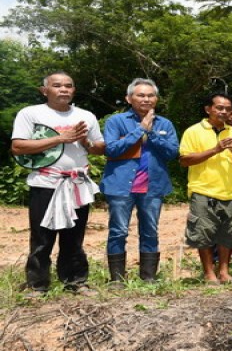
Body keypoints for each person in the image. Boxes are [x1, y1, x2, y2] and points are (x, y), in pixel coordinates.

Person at [11, 71, 106, 296]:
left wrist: (85, 141)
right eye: (57, 85)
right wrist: (61, 138)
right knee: (42, 237)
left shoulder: (86, 116)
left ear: (73, 90)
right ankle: (37, 285)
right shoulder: (31, 114)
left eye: (68, 85)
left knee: (74, 236)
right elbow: (18, 147)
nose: (63, 89)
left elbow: (100, 148)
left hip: (76, 183)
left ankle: (76, 281)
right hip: (45, 182)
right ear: (45, 90)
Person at [100, 78, 179, 285]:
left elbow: (172, 153)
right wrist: (140, 130)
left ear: (156, 99)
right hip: (120, 185)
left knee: (150, 230)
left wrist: (151, 132)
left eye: (150, 95)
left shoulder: (165, 124)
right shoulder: (116, 122)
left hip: (152, 187)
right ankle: (117, 279)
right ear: (129, 98)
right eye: (140, 95)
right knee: (118, 231)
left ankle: (148, 277)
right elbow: (111, 149)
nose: (146, 99)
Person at [179, 92, 232, 284]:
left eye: (228, 109)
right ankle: (209, 273)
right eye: (219, 107)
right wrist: (215, 149)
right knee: (203, 233)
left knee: (228, 234)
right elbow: (184, 160)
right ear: (208, 109)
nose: (224, 112)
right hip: (203, 190)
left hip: (230, 191)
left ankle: (224, 271)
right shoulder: (193, 131)